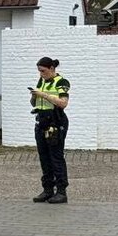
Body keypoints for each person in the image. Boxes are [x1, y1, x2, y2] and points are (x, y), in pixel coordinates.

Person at [30, 57, 71, 204]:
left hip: (56, 121)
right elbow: (35, 102)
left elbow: (63, 103)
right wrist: (34, 97)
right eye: (39, 71)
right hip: (41, 121)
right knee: (44, 157)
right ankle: (47, 190)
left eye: (43, 71)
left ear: (52, 69)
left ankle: (61, 191)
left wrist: (43, 95)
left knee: (56, 156)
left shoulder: (61, 82)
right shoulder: (41, 81)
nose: (41, 74)